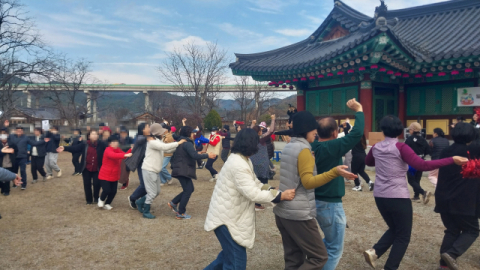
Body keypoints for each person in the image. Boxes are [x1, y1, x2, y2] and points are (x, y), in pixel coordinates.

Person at [363, 115, 467, 270]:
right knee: (403, 236)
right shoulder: (401, 147)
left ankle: (375, 251)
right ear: (400, 131)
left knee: (395, 228)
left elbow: (369, 162)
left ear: (383, 130)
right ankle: (390, 267)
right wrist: (451, 159)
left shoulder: (376, 147)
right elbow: (422, 165)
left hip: (380, 195)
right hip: (397, 195)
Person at [274, 111, 357, 270]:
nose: (316, 133)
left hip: (283, 211)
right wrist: (335, 172)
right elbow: (308, 182)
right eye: (314, 130)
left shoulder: (289, 146)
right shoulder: (303, 150)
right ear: (307, 130)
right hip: (298, 213)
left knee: (293, 259)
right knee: (319, 257)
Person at [204, 128, 296, 270]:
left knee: (227, 257)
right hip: (227, 220)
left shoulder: (242, 159)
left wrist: (270, 190)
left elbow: (254, 182)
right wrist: (279, 196)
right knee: (236, 263)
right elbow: (252, 193)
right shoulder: (238, 164)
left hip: (228, 216)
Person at [310, 98, 364, 270]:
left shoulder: (314, 145)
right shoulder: (334, 145)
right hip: (331, 204)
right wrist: (359, 110)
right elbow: (356, 134)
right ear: (335, 133)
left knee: (328, 241)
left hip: (315, 200)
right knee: (334, 249)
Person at [434, 123, 480, 270]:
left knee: (452, 230)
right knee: (471, 230)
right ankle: (452, 254)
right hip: (464, 199)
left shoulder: (447, 150)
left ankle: (444, 265)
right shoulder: (474, 150)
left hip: (443, 196)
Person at [137, 123, 185, 219]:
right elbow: (164, 147)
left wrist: (177, 147)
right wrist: (178, 143)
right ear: (157, 133)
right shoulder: (152, 142)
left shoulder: (157, 140)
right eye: (161, 132)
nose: (163, 133)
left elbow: (166, 149)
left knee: (157, 191)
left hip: (154, 170)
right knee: (152, 193)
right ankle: (146, 211)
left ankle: (140, 202)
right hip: (149, 169)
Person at [169, 126, 216, 219]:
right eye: (192, 133)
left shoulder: (182, 141)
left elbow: (189, 154)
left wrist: (199, 153)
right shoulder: (187, 143)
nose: (193, 134)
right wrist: (207, 155)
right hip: (183, 169)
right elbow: (194, 155)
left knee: (190, 189)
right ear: (188, 133)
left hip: (180, 168)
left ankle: (174, 202)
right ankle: (181, 213)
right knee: (188, 190)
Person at [59, 130, 107, 204]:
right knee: (87, 184)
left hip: (97, 168)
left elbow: (110, 150)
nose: (94, 135)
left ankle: (96, 198)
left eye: (96, 134)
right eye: (93, 134)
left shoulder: (102, 144)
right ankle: (89, 200)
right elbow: (75, 148)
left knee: (97, 184)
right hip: (86, 168)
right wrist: (65, 148)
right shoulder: (84, 144)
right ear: (89, 136)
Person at [97, 136, 132, 210]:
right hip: (105, 174)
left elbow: (124, 155)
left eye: (116, 142)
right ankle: (101, 199)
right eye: (113, 142)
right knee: (106, 190)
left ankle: (107, 203)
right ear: (110, 143)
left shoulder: (118, 149)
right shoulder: (108, 150)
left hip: (114, 175)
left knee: (113, 191)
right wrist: (125, 155)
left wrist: (131, 149)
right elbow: (113, 155)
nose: (115, 144)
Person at [250, 116, 276, 210]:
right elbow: (271, 131)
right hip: (262, 164)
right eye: (260, 130)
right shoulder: (261, 139)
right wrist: (273, 119)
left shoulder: (250, 138)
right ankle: (258, 203)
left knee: (255, 183)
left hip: (253, 163)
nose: (262, 131)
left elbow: (249, 131)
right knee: (263, 183)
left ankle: (255, 202)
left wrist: (253, 123)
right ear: (259, 132)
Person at [405, 122, 431, 203]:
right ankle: (416, 196)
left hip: (412, 162)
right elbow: (428, 150)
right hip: (421, 161)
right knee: (417, 179)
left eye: (410, 129)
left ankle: (423, 193)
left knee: (411, 180)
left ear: (413, 130)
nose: (409, 131)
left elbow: (405, 150)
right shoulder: (423, 139)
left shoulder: (409, 139)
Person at [126, 123, 150, 210]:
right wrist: (151, 136)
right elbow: (140, 140)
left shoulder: (148, 138)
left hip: (148, 164)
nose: (149, 128)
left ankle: (142, 202)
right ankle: (133, 198)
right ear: (142, 130)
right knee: (144, 184)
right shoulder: (139, 137)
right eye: (148, 127)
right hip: (141, 164)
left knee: (148, 185)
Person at [0, 128, 15, 195]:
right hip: (1, 162)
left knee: (7, 177)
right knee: (1, 177)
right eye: (1, 134)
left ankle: (7, 190)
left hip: (9, 162)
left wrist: (12, 152)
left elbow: (16, 150)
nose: (3, 135)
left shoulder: (11, 143)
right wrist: (4, 151)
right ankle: (2, 189)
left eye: (4, 133)